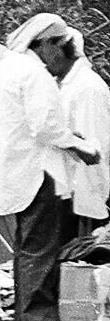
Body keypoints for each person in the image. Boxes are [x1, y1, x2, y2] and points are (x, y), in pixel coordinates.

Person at [0, 13, 101, 321]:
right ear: (44, 43)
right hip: (38, 170)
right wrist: (82, 148)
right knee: (41, 248)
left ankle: (26, 318)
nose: (60, 54)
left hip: (16, 170)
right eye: (59, 45)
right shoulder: (33, 73)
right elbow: (46, 127)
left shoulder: (3, 71)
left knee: (28, 247)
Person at [58, 26, 110, 236]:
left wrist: (93, 199)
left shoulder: (88, 87)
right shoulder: (66, 85)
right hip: (67, 189)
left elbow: (94, 144)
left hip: (83, 193)